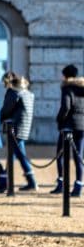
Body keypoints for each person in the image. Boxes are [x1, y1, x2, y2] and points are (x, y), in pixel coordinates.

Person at [0, 72, 36, 192]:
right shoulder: (27, 93)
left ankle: (4, 181)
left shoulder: (13, 92)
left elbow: (6, 109)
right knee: (20, 155)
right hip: (24, 127)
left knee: (13, 155)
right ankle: (31, 181)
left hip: (15, 128)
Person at [54, 64, 84, 196]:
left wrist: (59, 120)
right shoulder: (82, 88)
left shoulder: (67, 88)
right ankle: (78, 185)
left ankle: (61, 183)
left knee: (60, 155)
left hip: (68, 126)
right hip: (82, 126)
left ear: (65, 75)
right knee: (79, 157)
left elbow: (66, 107)